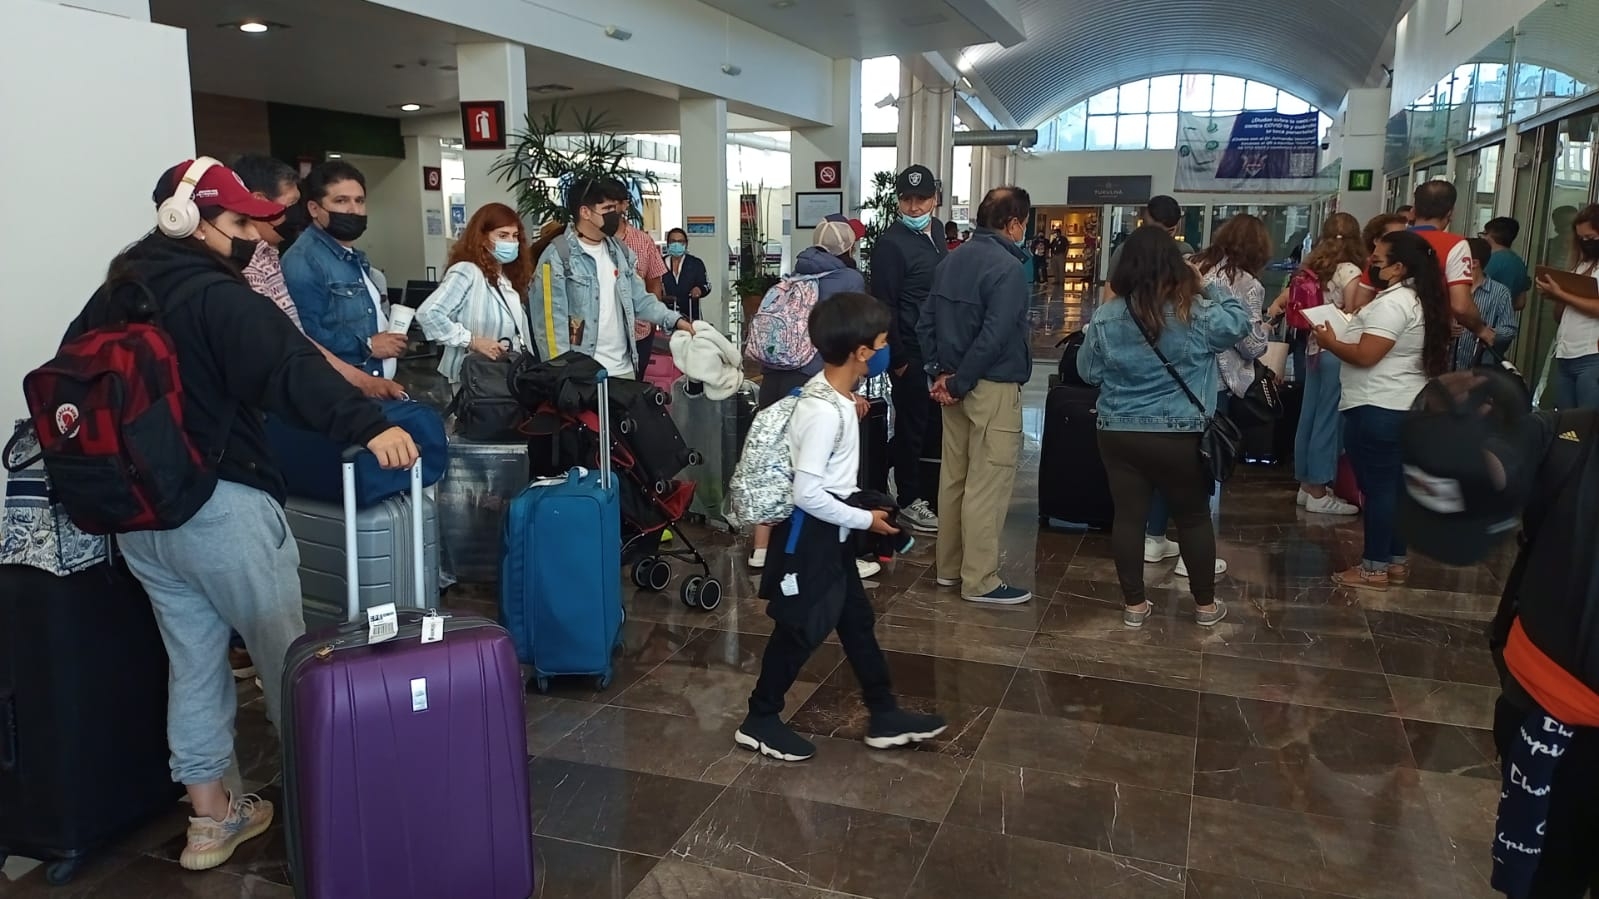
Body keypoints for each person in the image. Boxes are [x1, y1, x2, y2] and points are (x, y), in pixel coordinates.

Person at [65, 158, 418, 871]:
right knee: (289, 660)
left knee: (194, 663)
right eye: (236, 223)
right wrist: (366, 423)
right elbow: (289, 369)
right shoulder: (216, 297)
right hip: (222, 507)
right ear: (185, 219)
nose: (254, 237)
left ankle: (210, 819)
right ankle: (329, 803)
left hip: (142, 517)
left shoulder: (114, 295)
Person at [1393, 368, 1595, 899]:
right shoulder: (1571, 436)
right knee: (1553, 877)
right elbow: (1503, 465)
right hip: (1556, 709)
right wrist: (1458, 444)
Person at [735, 290, 947, 762]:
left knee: (857, 623)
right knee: (798, 631)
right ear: (861, 352)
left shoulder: (835, 398)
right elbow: (806, 494)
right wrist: (863, 518)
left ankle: (884, 713)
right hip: (812, 535)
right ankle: (760, 719)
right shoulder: (821, 411)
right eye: (882, 341)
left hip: (833, 532)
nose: (886, 348)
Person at [1078, 226, 1251, 628]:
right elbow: (1240, 323)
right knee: (1192, 517)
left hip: (1118, 431)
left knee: (1128, 518)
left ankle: (1134, 607)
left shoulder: (1107, 315)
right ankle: (1206, 608)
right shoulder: (1197, 312)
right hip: (1182, 434)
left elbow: (1088, 373)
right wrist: (1208, 286)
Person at [1312, 230, 1452, 590]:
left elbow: (1366, 355)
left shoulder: (1394, 303)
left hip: (1379, 406)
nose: (1370, 264)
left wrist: (1330, 340)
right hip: (1403, 405)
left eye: (1377, 260)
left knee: (1379, 490)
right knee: (1395, 487)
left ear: (1399, 267)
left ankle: (1373, 568)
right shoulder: (1419, 299)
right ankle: (1394, 560)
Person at [920, 186, 1035, 605]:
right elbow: (994, 336)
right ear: (1014, 224)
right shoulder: (1007, 269)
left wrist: (940, 374)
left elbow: (925, 321)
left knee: (953, 481)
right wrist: (959, 381)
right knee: (987, 484)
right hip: (990, 388)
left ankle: (949, 570)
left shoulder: (951, 260)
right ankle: (981, 579)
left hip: (953, 385)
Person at [1143, 214, 1274, 575]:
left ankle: (1153, 538)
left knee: (1165, 462)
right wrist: (1265, 326)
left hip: (1170, 375)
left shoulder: (1189, 265)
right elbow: (1248, 344)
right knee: (1203, 465)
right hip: (1213, 385)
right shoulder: (1248, 284)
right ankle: (1192, 556)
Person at [749, 218, 872, 576]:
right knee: (823, 470)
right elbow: (850, 338)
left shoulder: (791, 276)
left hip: (773, 379)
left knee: (776, 462)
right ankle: (835, 555)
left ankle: (761, 550)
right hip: (812, 383)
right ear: (848, 248)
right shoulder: (849, 281)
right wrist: (850, 391)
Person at [528, 177, 692, 377]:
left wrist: (676, 321)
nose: (616, 216)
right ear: (585, 212)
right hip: (583, 375)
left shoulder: (618, 251)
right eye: (607, 209)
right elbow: (550, 330)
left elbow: (640, 299)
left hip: (624, 370)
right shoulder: (557, 258)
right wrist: (563, 378)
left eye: (616, 209)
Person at [1267, 212, 1366, 514]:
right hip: (1337, 349)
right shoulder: (1349, 270)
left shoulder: (1310, 267)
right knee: (1329, 419)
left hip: (1313, 347)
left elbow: (1282, 302)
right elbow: (1353, 308)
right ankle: (1319, 489)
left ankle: (1305, 483)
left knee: (1308, 416)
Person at [869, 164, 948, 534]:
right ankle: (908, 497)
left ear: (935, 198)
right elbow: (884, 305)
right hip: (910, 353)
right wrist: (897, 359)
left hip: (937, 350)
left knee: (931, 426)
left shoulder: (939, 235)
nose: (914, 207)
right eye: (907, 199)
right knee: (911, 427)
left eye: (922, 199)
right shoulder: (891, 244)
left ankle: (927, 492)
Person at [281, 161, 404, 380]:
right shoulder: (305, 260)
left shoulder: (353, 257)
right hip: (342, 394)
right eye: (341, 201)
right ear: (314, 209)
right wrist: (367, 346)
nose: (354, 210)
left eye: (360, 201)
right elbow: (304, 336)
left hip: (371, 389)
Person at [414, 202, 533, 385]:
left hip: (506, 375)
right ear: (483, 239)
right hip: (476, 380)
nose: (511, 242)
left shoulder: (508, 277)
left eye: (515, 236)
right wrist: (472, 341)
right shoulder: (467, 271)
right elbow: (428, 314)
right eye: (502, 235)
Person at [1359, 182, 1491, 344]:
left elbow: (1360, 301)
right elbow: (1461, 306)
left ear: (1414, 211)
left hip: (1378, 336)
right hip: (1427, 342)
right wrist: (1482, 330)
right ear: (1450, 213)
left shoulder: (1389, 242)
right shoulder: (1455, 245)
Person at [1536, 204, 1599, 412]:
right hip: (1565, 354)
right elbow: (1561, 315)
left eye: (1591, 238)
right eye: (1581, 238)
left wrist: (1562, 294)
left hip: (1592, 355)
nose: (1585, 243)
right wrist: (1555, 294)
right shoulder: (1579, 266)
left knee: (1588, 424)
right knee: (1567, 425)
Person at [1101, 196, 1193, 300]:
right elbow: (1109, 298)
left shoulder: (1184, 251)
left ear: (1175, 227)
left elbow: (1189, 296)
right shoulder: (1125, 250)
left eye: (1169, 232)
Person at [1450, 237, 1519, 371]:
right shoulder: (1450, 288)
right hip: (1447, 367)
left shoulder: (1500, 292)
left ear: (1473, 263)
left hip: (1480, 368)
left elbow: (1509, 330)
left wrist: (1485, 331)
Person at [616, 197, 668, 372]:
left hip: (640, 330)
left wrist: (653, 321)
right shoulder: (594, 243)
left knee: (636, 385)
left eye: (614, 203)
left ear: (625, 204)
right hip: (606, 333)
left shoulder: (643, 241)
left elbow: (654, 282)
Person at [1482, 216, 1533, 311]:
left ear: (1488, 236)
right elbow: (1520, 303)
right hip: (1504, 322)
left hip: (1481, 319)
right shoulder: (1519, 264)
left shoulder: (1487, 261)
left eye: (1483, 234)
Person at [662, 227, 712, 324]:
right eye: (673, 241)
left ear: (686, 244)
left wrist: (699, 290)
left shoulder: (695, 263)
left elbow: (707, 285)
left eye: (680, 241)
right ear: (668, 243)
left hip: (690, 315)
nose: (676, 244)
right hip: (665, 316)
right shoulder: (659, 263)